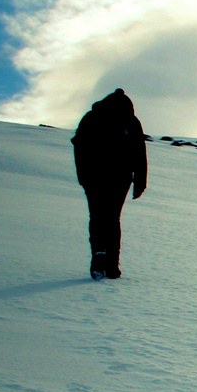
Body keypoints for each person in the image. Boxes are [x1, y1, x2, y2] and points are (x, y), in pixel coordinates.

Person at [72, 88, 147, 279]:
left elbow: (79, 145)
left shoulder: (91, 116)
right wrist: (140, 182)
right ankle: (112, 265)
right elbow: (139, 152)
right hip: (120, 177)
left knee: (96, 216)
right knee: (113, 218)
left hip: (93, 176)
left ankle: (98, 253)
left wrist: (82, 176)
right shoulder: (131, 121)